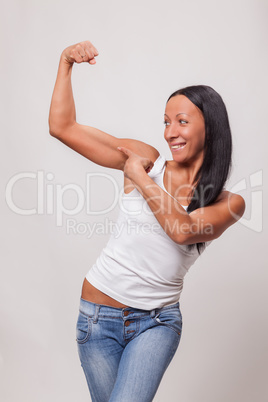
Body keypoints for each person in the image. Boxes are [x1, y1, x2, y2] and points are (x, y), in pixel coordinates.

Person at [48, 40, 246, 402]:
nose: (170, 132)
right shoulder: (147, 158)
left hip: (156, 323)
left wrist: (138, 177)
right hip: (96, 317)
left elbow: (182, 231)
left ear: (211, 127)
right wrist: (65, 62)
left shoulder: (228, 202)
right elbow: (63, 127)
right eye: (166, 122)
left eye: (182, 122)